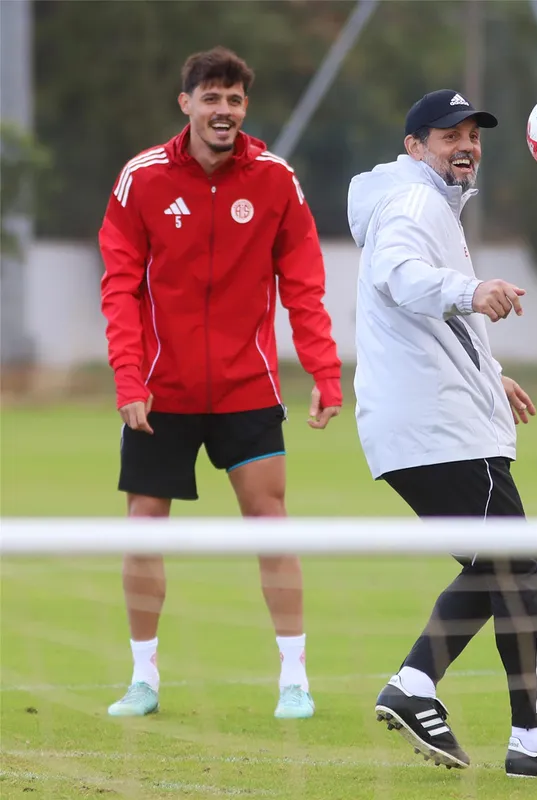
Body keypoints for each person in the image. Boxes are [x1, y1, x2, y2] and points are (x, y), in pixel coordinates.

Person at [346, 89, 537, 777]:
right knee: (517, 567)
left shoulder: (427, 203)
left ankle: (414, 685)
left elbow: (430, 321)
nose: (465, 146)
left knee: (494, 568)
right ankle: (531, 741)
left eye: (473, 135)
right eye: (448, 136)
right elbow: (401, 276)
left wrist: (492, 374)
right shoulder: (413, 203)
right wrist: (470, 290)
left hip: (432, 421)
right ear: (414, 147)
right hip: (439, 426)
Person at [99, 47, 341, 721]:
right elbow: (119, 286)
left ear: (245, 108)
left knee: (271, 525)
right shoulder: (142, 178)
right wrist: (128, 377)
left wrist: (323, 371)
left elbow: (303, 284)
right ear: (186, 104)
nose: (223, 110)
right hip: (161, 392)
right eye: (211, 98)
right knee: (144, 530)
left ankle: (294, 680)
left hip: (247, 388)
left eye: (234, 99)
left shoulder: (276, 180)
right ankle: (142, 679)